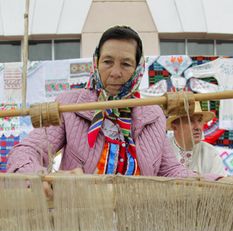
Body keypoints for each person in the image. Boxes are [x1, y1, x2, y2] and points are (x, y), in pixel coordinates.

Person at [7, 25, 220, 198]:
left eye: (126, 64)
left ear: (138, 69)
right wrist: (38, 178)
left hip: (136, 225)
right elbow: (26, 151)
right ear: (96, 62)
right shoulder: (70, 107)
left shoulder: (152, 115)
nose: (116, 73)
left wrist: (216, 182)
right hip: (82, 224)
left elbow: (171, 171)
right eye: (108, 62)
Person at [166, 101, 227, 176]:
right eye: (190, 121)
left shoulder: (210, 153)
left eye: (200, 120)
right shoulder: (162, 152)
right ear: (174, 127)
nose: (198, 127)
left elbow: (220, 185)